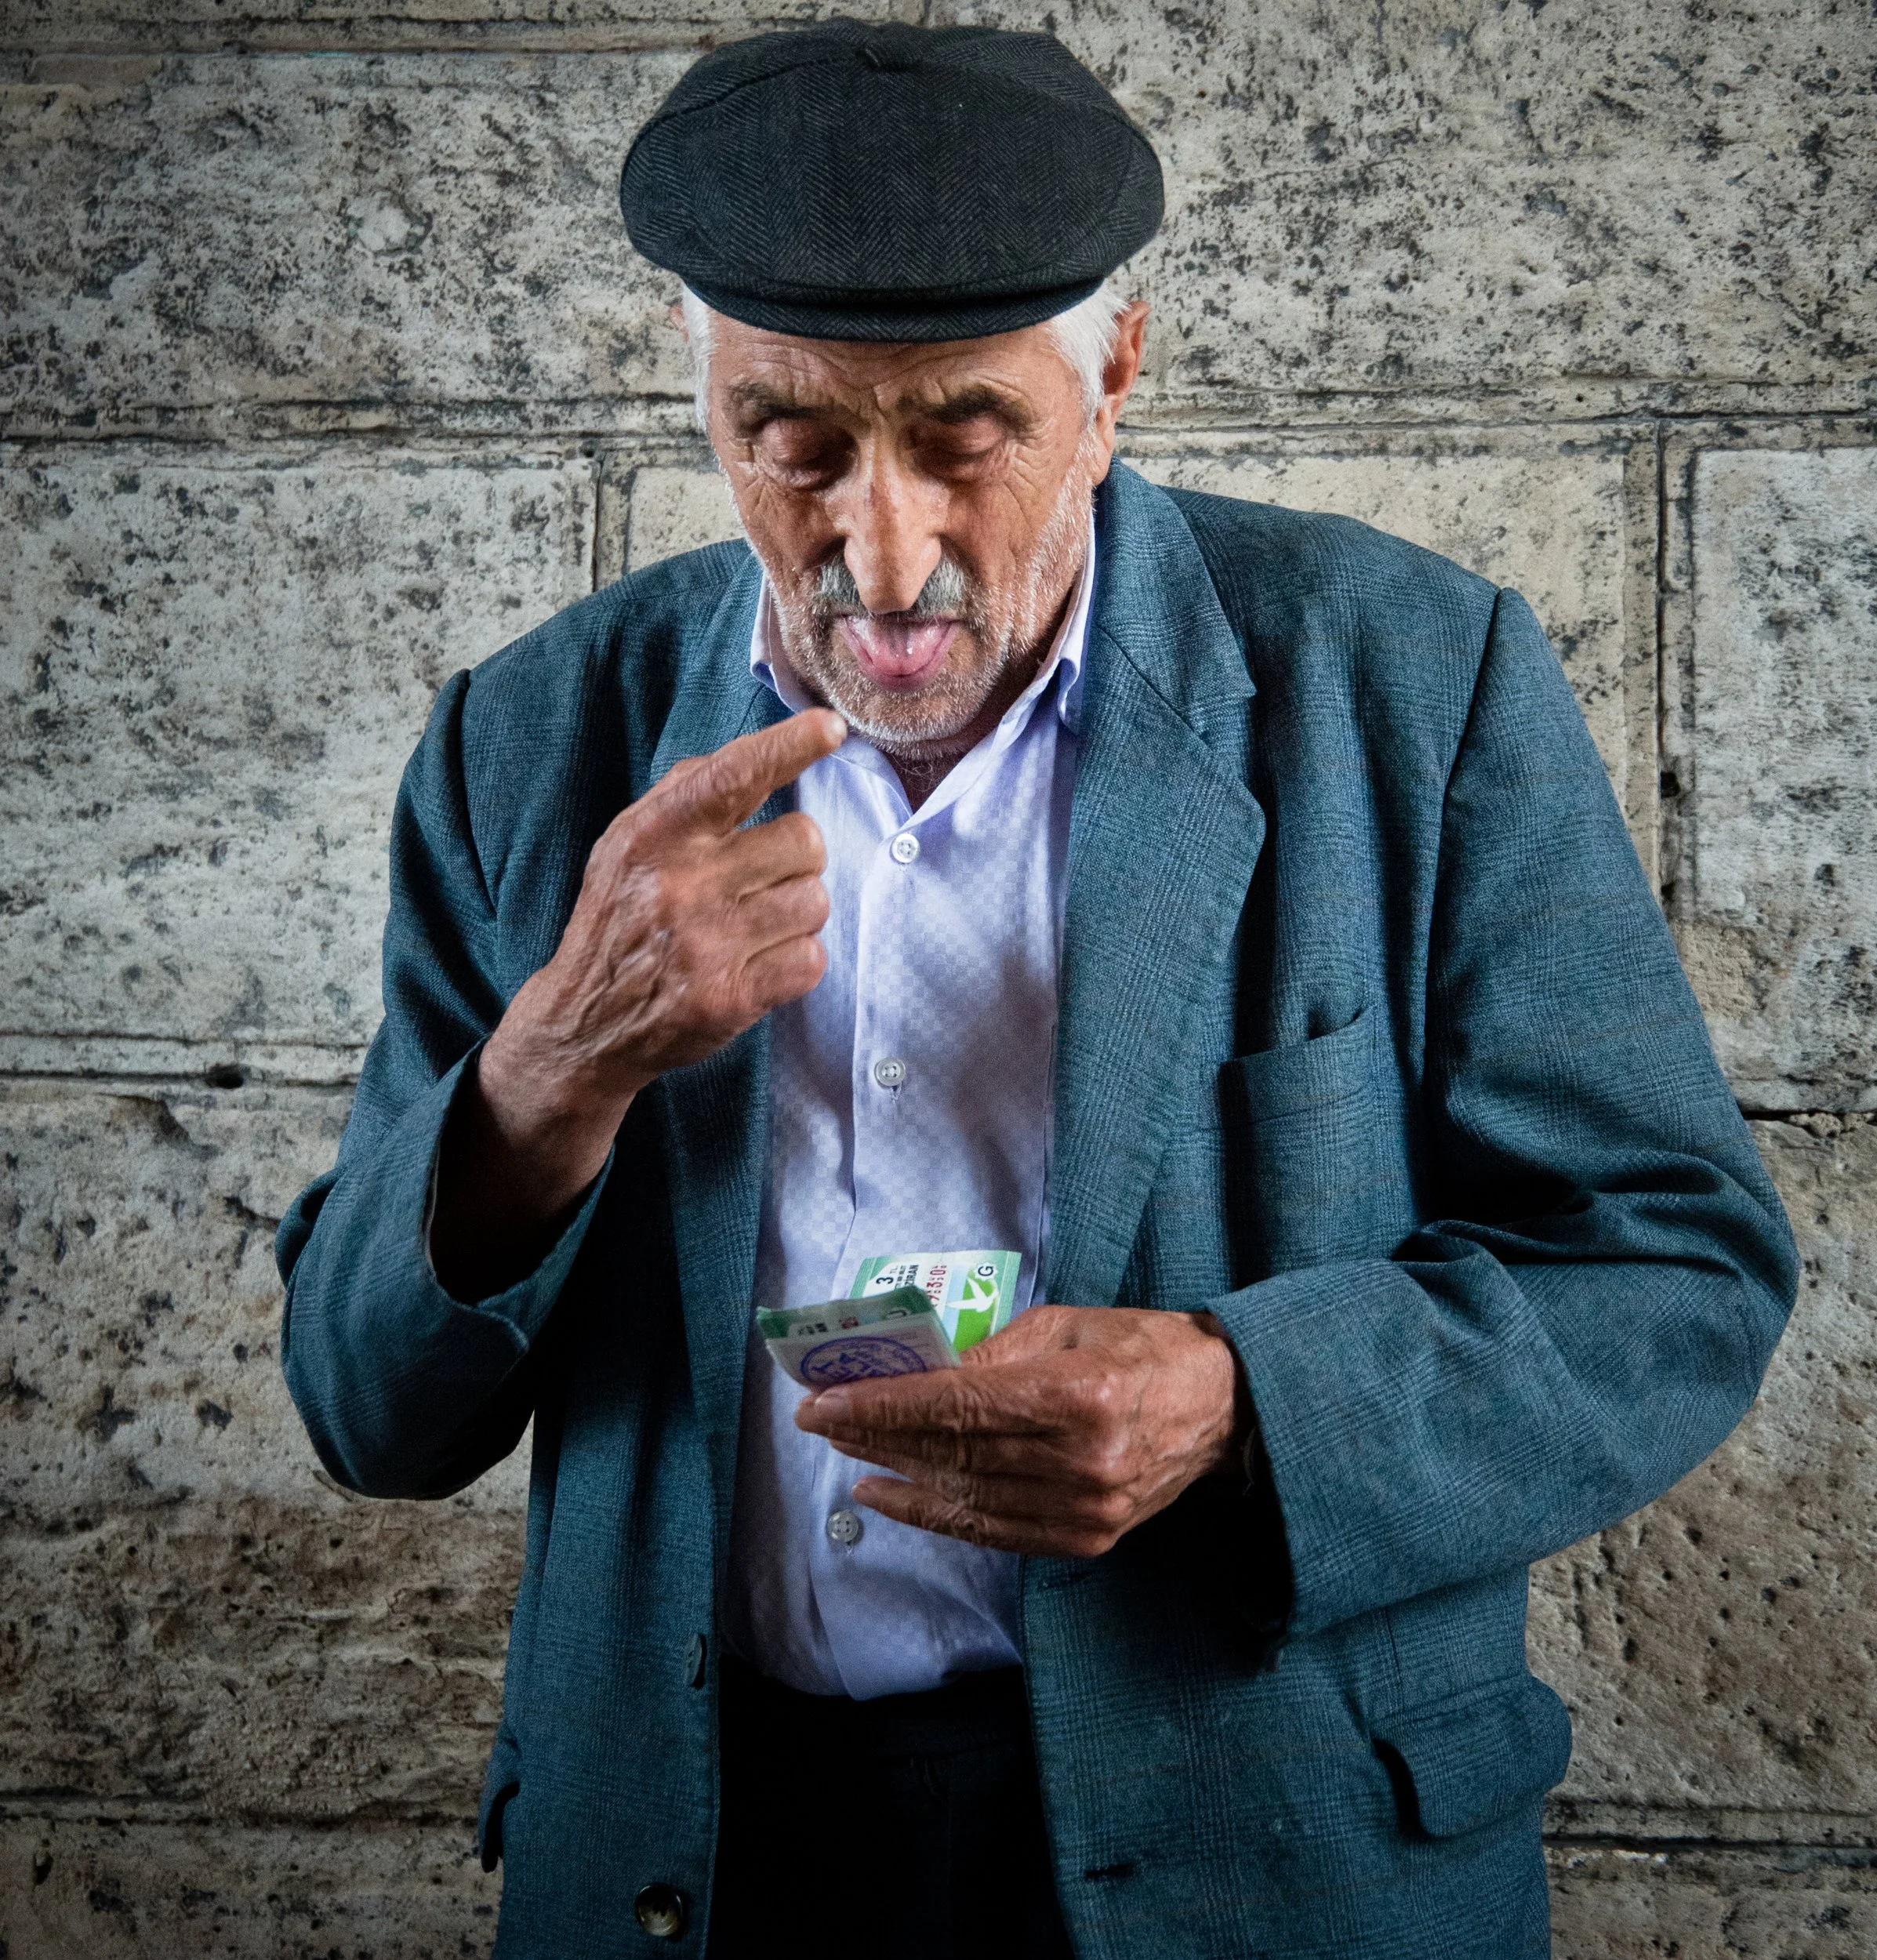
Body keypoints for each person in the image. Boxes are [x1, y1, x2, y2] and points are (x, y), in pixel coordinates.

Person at [277, 20, 1797, 1959]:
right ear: (700, 388)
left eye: (962, 437)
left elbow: (1673, 1270)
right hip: (695, 1856)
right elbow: (365, 1407)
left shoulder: (1412, 682)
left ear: (1114, 377)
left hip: (1266, 1851)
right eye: (791, 442)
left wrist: (1239, 1400)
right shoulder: (523, 739)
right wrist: (551, 1070)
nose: (880, 550)